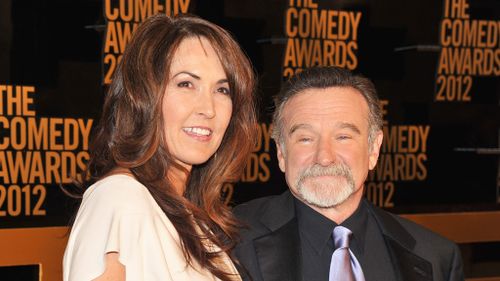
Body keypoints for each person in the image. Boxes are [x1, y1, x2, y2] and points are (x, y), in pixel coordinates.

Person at [63, 13, 257, 281]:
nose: (208, 109)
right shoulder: (120, 198)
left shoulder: (192, 216)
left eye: (222, 90)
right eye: (186, 84)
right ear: (143, 97)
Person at [233, 66, 464, 281]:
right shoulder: (226, 242)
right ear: (281, 153)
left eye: (343, 137)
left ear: (373, 149)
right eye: (305, 138)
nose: (324, 157)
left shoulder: (437, 258)